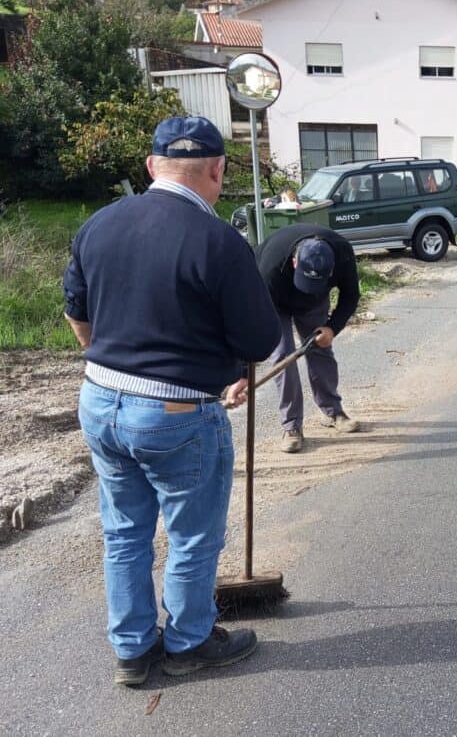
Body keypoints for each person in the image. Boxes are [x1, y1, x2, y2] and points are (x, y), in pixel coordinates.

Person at [63, 116, 281, 685]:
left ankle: (133, 651)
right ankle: (187, 643)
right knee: (192, 536)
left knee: (124, 532)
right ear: (218, 170)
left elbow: (77, 313)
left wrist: (115, 368)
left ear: (151, 166)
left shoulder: (100, 223)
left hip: (100, 401)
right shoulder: (219, 242)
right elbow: (259, 341)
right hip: (175, 411)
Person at [254, 223, 362, 453]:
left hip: (314, 304)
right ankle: (292, 426)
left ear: (331, 270)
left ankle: (333, 411)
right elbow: (257, 310)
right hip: (274, 302)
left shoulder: (342, 254)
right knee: (283, 356)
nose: (308, 288)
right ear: (295, 262)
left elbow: (351, 295)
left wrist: (332, 328)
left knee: (320, 347)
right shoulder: (270, 266)